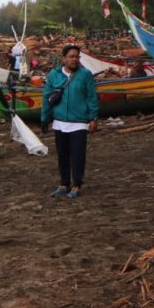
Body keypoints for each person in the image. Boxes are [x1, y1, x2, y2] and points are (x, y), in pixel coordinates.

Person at [41, 45, 99, 200]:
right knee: (62, 155)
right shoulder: (54, 75)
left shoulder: (85, 75)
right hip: (59, 122)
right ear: (64, 59)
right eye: (71, 56)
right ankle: (64, 184)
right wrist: (44, 118)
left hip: (79, 122)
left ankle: (77, 185)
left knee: (77, 155)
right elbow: (47, 98)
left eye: (77, 57)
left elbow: (91, 97)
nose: (74, 59)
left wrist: (93, 118)